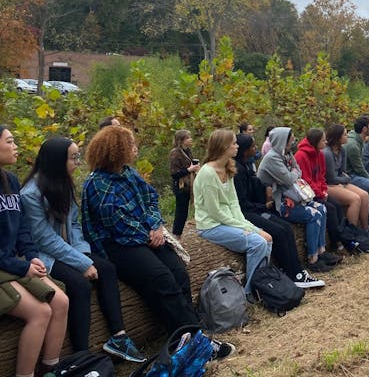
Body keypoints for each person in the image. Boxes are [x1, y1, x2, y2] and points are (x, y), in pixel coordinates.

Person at [80, 126, 234, 359]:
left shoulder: (129, 173)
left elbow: (151, 198)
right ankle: (196, 344)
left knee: (179, 272)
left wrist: (155, 226)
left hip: (146, 235)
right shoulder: (97, 184)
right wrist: (150, 234)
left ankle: (187, 334)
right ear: (116, 150)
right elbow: (116, 223)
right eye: (131, 145)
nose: (135, 149)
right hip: (117, 245)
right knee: (161, 278)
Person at [21, 137, 146, 362]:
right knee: (79, 285)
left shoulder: (63, 184)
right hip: (43, 256)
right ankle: (81, 354)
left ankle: (119, 337)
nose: (77, 162)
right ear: (57, 160)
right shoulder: (30, 194)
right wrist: (82, 263)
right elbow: (44, 239)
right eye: (73, 157)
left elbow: (75, 225)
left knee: (106, 268)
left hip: (67, 249)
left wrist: (84, 254)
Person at [0, 126, 69, 377]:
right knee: (40, 312)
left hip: (12, 263)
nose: (15, 146)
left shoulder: (10, 180)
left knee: (60, 301)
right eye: (10, 141)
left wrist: (32, 256)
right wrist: (23, 267)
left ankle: (51, 368)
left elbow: (22, 227)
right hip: (5, 266)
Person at [233, 134, 325, 288]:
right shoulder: (238, 171)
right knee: (279, 231)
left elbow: (295, 172)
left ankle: (296, 272)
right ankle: (294, 274)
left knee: (286, 228)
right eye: (253, 146)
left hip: (256, 208)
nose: (256, 149)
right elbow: (243, 203)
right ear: (245, 150)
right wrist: (264, 207)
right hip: (247, 213)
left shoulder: (246, 166)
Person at [194, 129, 272, 298]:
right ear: (224, 146)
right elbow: (215, 212)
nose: (237, 146)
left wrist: (247, 225)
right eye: (234, 143)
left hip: (227, 221)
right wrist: (249, 229)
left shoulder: (228, 168)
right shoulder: (208, 173)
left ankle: (262, 286)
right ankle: (249, 293)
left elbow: (233, 203)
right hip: (211, 225)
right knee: (258, 243)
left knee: (268, 239)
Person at [257, 127, 331, 273]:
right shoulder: (272, 158)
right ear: (283, 141)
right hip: (278, 202)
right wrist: (293, 173)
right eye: (290, 140)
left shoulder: (287, 154)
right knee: (314, 214)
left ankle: (321, 250)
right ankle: (313, 258)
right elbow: (289, 178)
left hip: (291, 197)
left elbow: (297, 172)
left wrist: (293, 173)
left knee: (322, 208)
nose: (293, 142)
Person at [293, 129, 345, 262]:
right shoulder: (301, 156)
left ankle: (342, 237)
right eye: (323, 140)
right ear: (315, 142)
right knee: (330, 209)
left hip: (319, 192)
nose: (325, 142)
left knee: (337, 206)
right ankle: (335, 243)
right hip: (308, 194)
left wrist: (324, 191)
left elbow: (321, 176)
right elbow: (306, 180)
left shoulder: (320, 154)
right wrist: (320, 193)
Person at [322, 124, 369, 230]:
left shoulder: (342, 150)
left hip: (340, 181)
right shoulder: (327, 153)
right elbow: (331, 178)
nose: (347, 136)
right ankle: (352, 231)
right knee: (355, 199)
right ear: (337, 138)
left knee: (364, 195)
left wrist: (344, 179)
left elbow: (342, 171)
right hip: (328, 185)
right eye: (344, 134)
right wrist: (345, 179)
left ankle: (365, 228)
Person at [168, 129, 200, 239]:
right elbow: (174, 174)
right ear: (180, 140)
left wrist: (195, 168)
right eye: (187, 138)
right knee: (181, 211)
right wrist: (189, 169)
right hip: (181, 186)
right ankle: (176, 235)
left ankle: (178, 234)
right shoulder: (175, 153)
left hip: (189, 185)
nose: (190, 139)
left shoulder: (187, 151)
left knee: (184, 211)